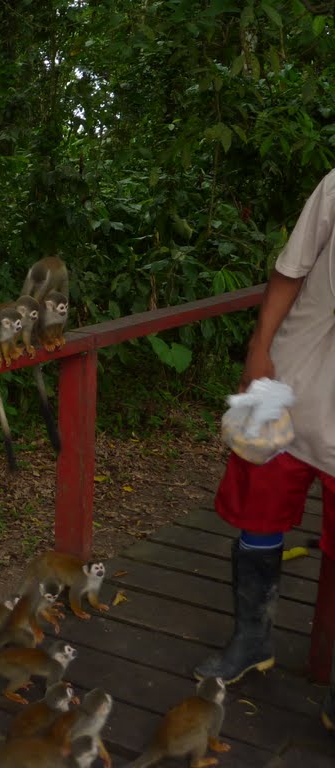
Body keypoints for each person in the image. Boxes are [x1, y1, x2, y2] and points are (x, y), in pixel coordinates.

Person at [192, 169, 335, 732]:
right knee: (260, 514)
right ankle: (252, 640)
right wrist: (259, 348)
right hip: (293, 379)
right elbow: (288, 273)